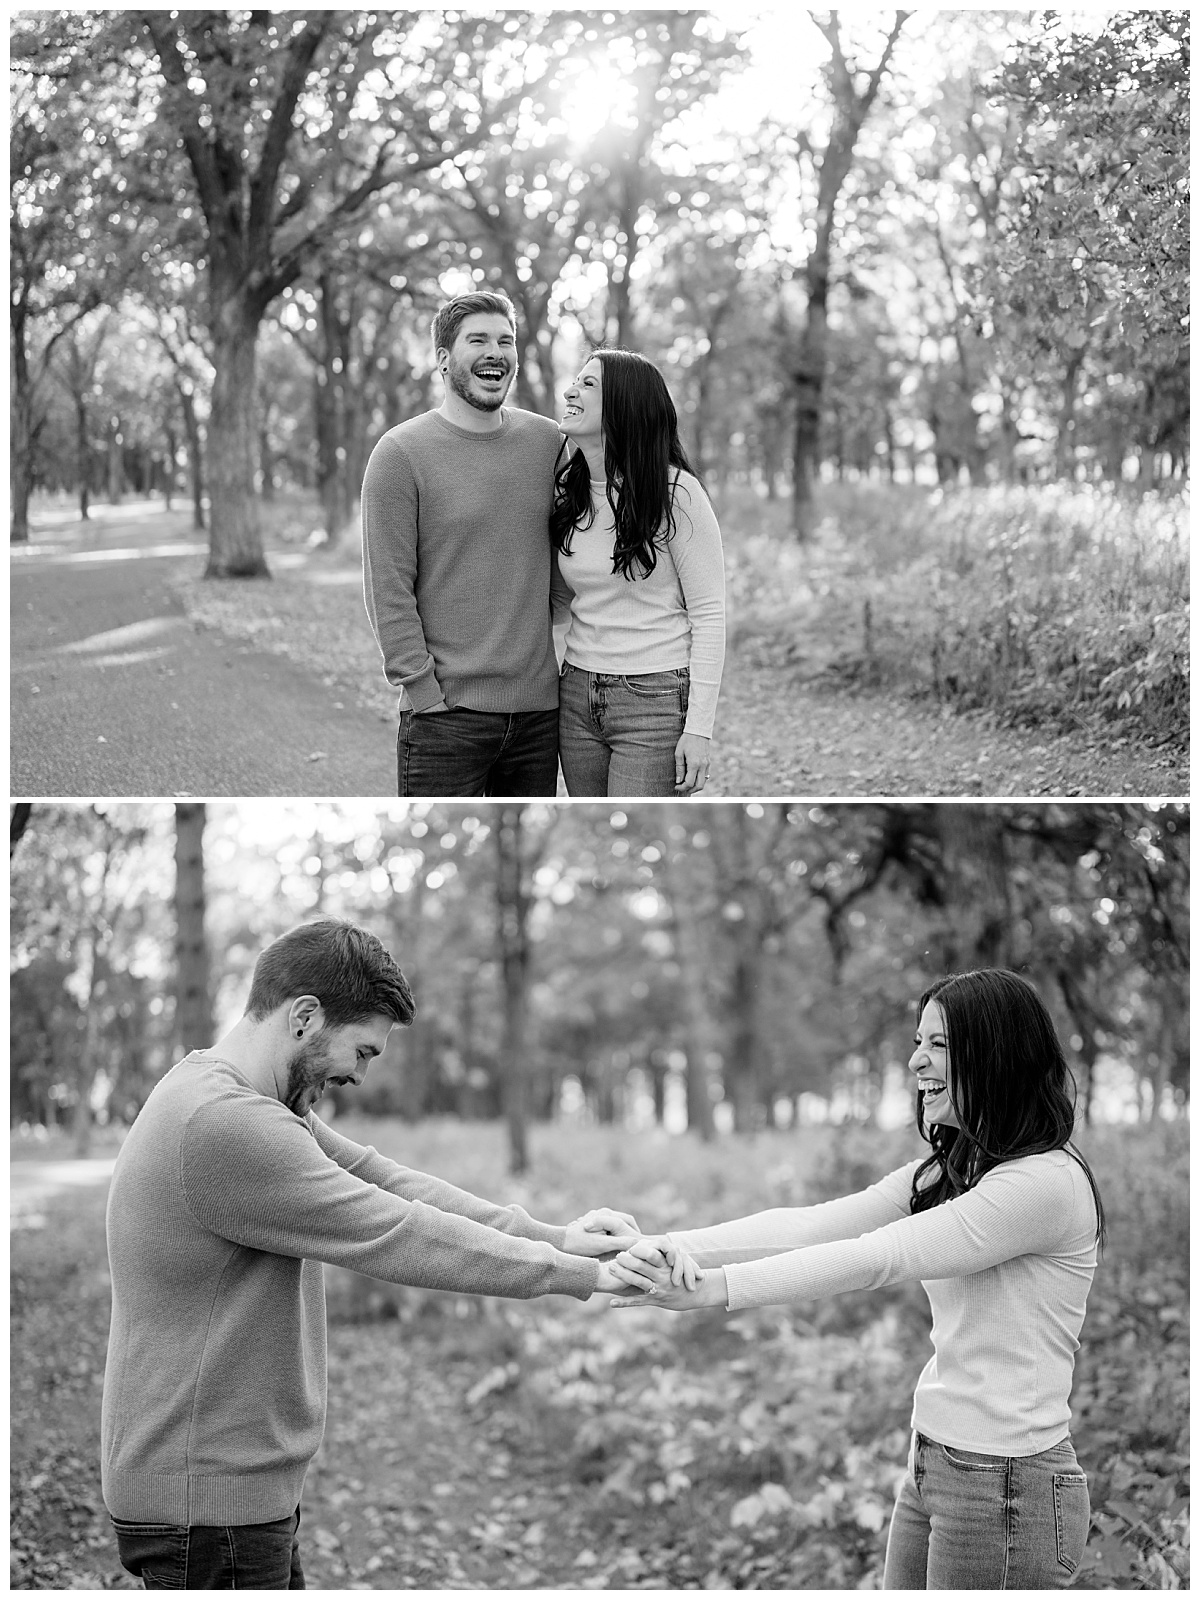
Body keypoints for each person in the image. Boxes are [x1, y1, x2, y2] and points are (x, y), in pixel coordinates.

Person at [101, 918, 640, 1590]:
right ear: (305, 1017)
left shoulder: (239, 1095)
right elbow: (396, 1231)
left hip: (219, 1489)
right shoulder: (225, 1122)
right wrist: (584, 1276)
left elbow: (385, 1180)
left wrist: (557, 1238)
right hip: (205, 1502)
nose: (358, 1074)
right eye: (361, 1051)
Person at [608, 969, 1105, 1591]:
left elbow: (876, 1256)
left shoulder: (1042, 1186)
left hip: (1007, 1485)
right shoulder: (957, 1168)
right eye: (918, 1041)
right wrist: (666, 1245)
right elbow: (814, 1227)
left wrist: (715, 1287)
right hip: (937, 1464)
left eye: (940, 1045)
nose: (915, 1059)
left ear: (998, 1055)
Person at [362, 290, 564, 797]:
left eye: (506, 340)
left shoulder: (549, 444)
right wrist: (423, 692)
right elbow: (387, 588)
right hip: (445, 720)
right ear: (445, 359)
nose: (496, 352)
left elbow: (578, 544)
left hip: (538, 719)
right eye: (478, 340)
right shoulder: (400, 453)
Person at [552, 348, 725, 797]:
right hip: (575, 695)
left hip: (654, 699)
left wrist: (699, 730)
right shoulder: (567, 493)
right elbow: (557, 601)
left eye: (589, 384)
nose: (571, 390)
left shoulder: (677, 494)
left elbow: (709, 615)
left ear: (625, 407)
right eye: (576, 380)